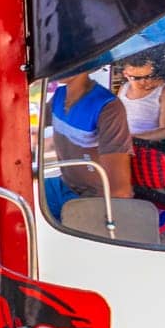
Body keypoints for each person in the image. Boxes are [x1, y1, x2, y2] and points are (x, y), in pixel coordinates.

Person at [44, 69, 133, 218]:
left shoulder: (107, 106)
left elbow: (120, 190)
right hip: (63, 184)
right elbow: (30, 128)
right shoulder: (59, 95)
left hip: (92, 197)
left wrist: (105, 219)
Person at [117, 53, 165, 141]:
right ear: (125, 74)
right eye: (137, 78)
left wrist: (134, 138)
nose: (143, 82)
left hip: (147, 145)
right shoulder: (124, 88)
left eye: (148, 76)